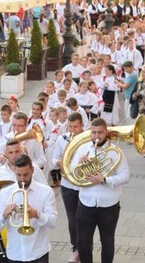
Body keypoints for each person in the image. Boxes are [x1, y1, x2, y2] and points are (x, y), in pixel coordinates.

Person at [71, 118, 130, 263]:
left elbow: (125, 176)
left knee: (107, 241)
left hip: (109, 204)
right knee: (83, 242)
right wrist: (80, 164)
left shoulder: (116, 152)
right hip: (86, 202)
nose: (97, 136)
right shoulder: (83, 149)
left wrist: (104, 180)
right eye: (94, 133)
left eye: (100, 133)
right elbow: (72, 171)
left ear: (106, 132)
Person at [0, 154, 58, 263]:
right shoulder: (5, 193)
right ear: (14, 170)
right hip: (15, 254)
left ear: (32, 170)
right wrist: (4, 216)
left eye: (26, 174)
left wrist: (37, 214)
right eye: (19, 175)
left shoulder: (46, 192)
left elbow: (53, 223)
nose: (22, 179)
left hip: (38, 253)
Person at [51, 113, 84, 263]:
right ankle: (75, 248)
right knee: (72, 219)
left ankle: (85, 248)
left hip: (85, 186)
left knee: (84, 219)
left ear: (82, 125)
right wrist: (59, 162)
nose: (73, 130)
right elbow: (52, 159)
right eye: (70, 127)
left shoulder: (88, 140)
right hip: (68, 185)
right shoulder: (62, 139)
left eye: (75, 127)